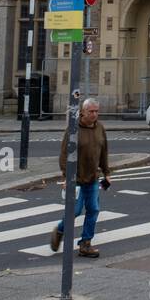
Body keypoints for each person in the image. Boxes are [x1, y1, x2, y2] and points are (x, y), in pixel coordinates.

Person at [50, 98, 112, 258]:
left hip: (92, 178)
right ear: (83, 112)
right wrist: (66, 176)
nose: (94, 114)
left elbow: (104, 152)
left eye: (97, 111)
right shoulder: (73, 129)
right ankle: (60, 229)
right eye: (91, 111)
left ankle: (85, 244)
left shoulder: (100, 128)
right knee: (75, 211)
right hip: (75, 179)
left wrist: (107, 173)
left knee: (93, 209)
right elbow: (64, 155)